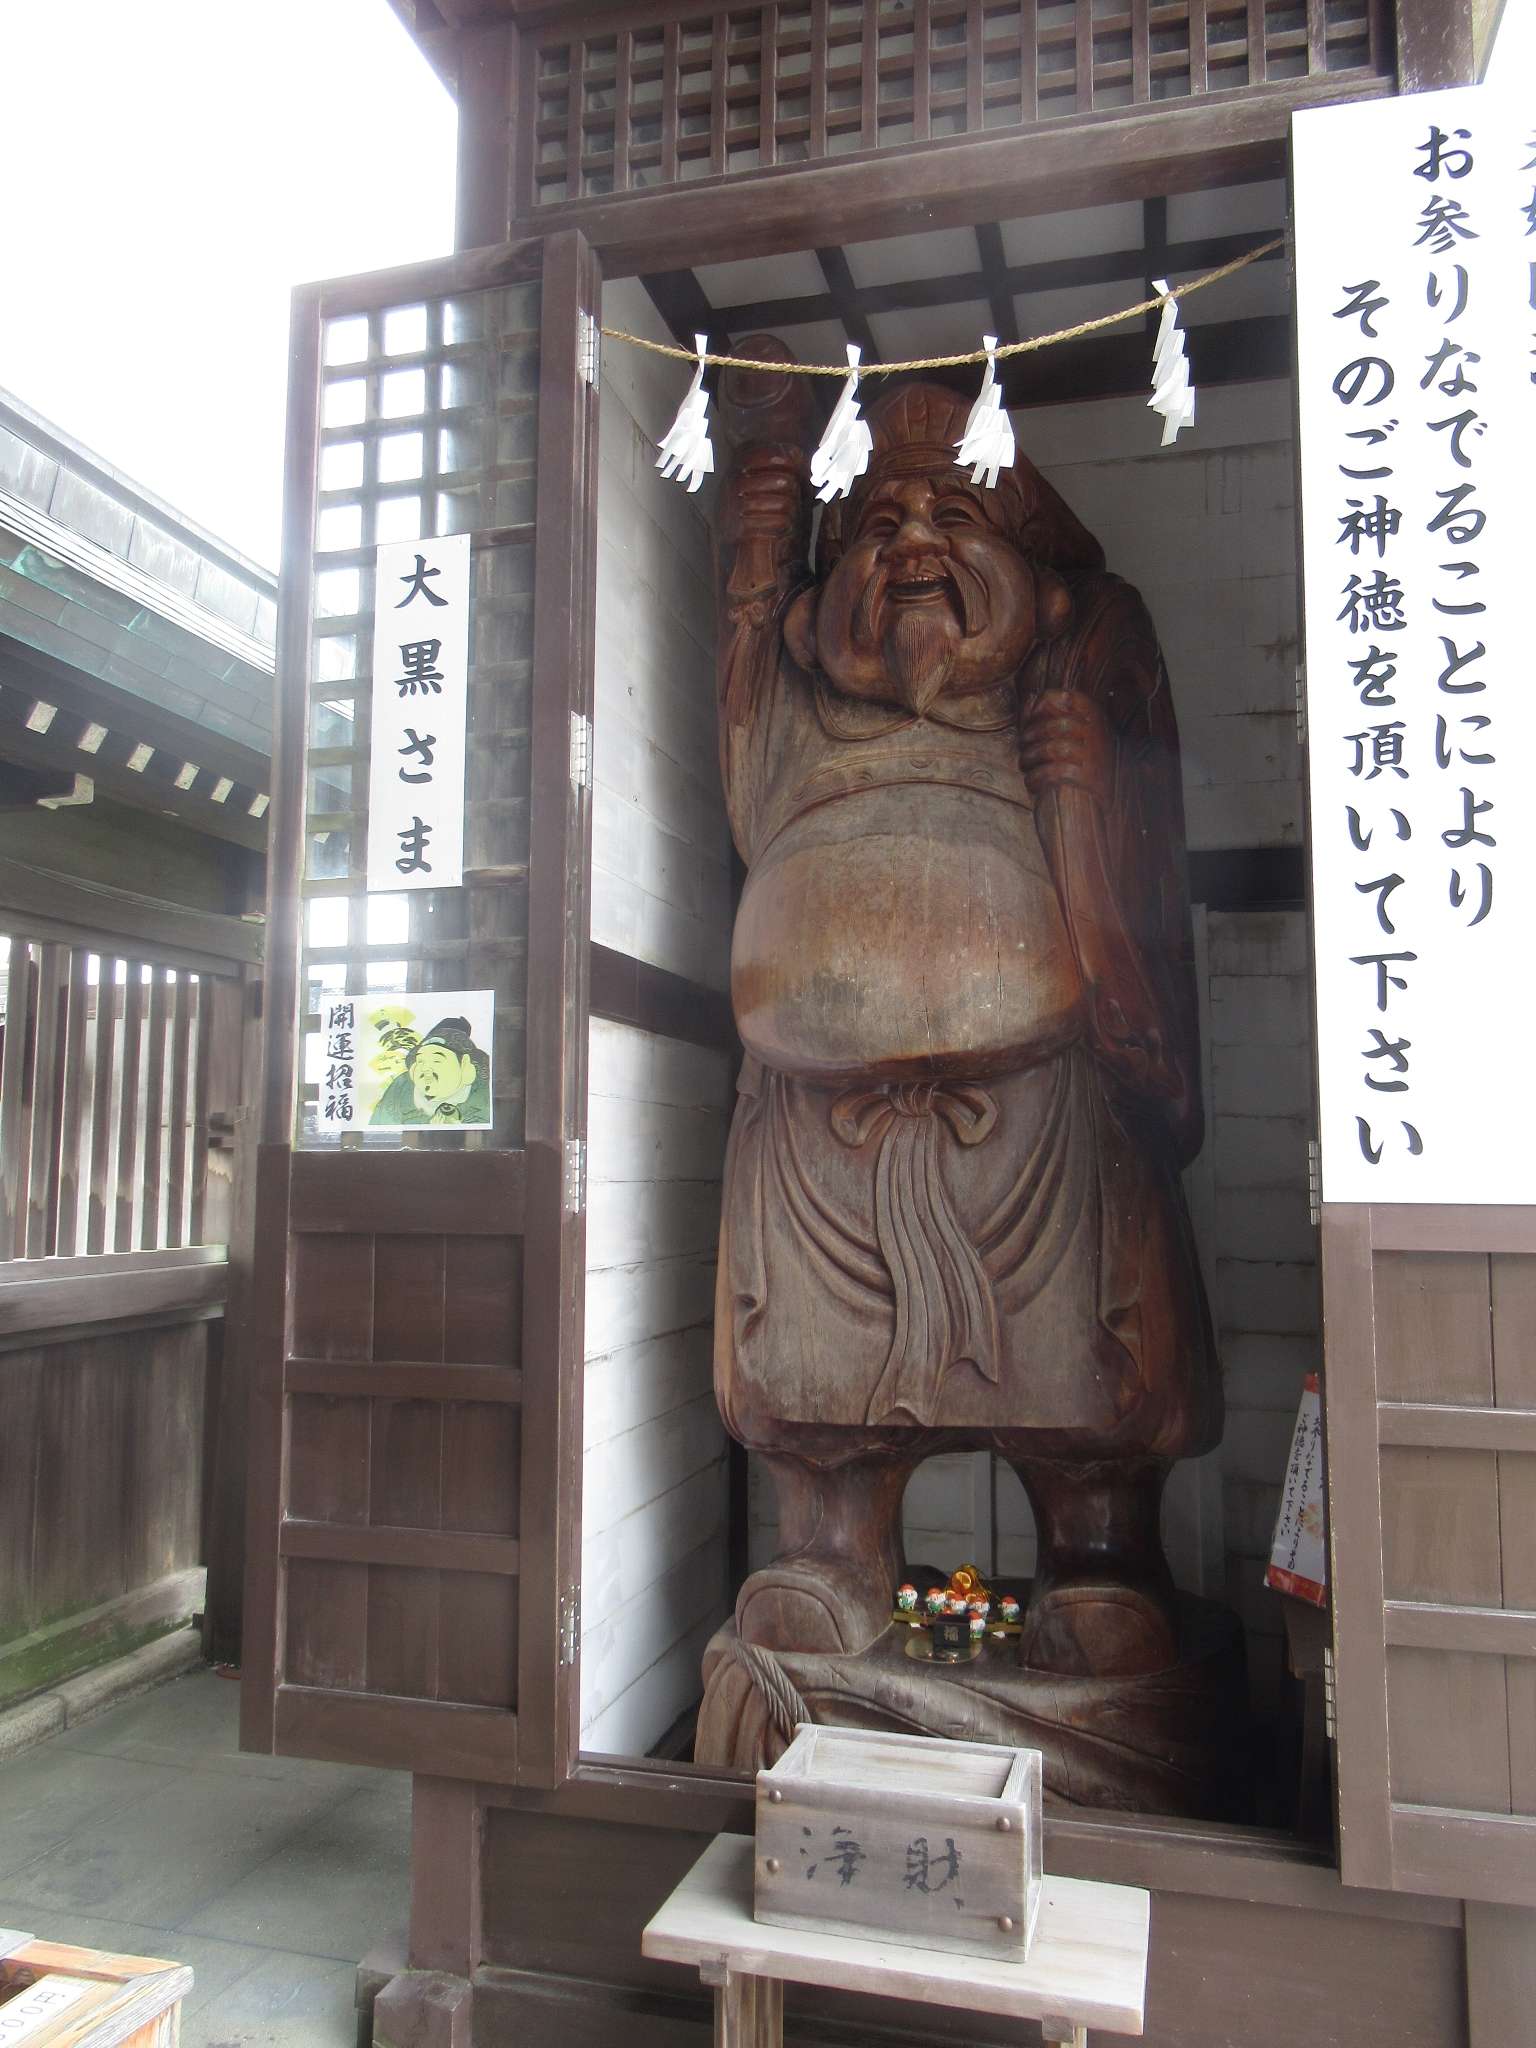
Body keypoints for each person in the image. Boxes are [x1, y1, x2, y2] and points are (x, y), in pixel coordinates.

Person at [370, 1015, 491, 1126]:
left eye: (437, 1060)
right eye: (421, 1061)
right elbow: (380, 1127)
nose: (425, 1068)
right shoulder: (402, 1086)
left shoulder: (484, 1091)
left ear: (465, 1067)